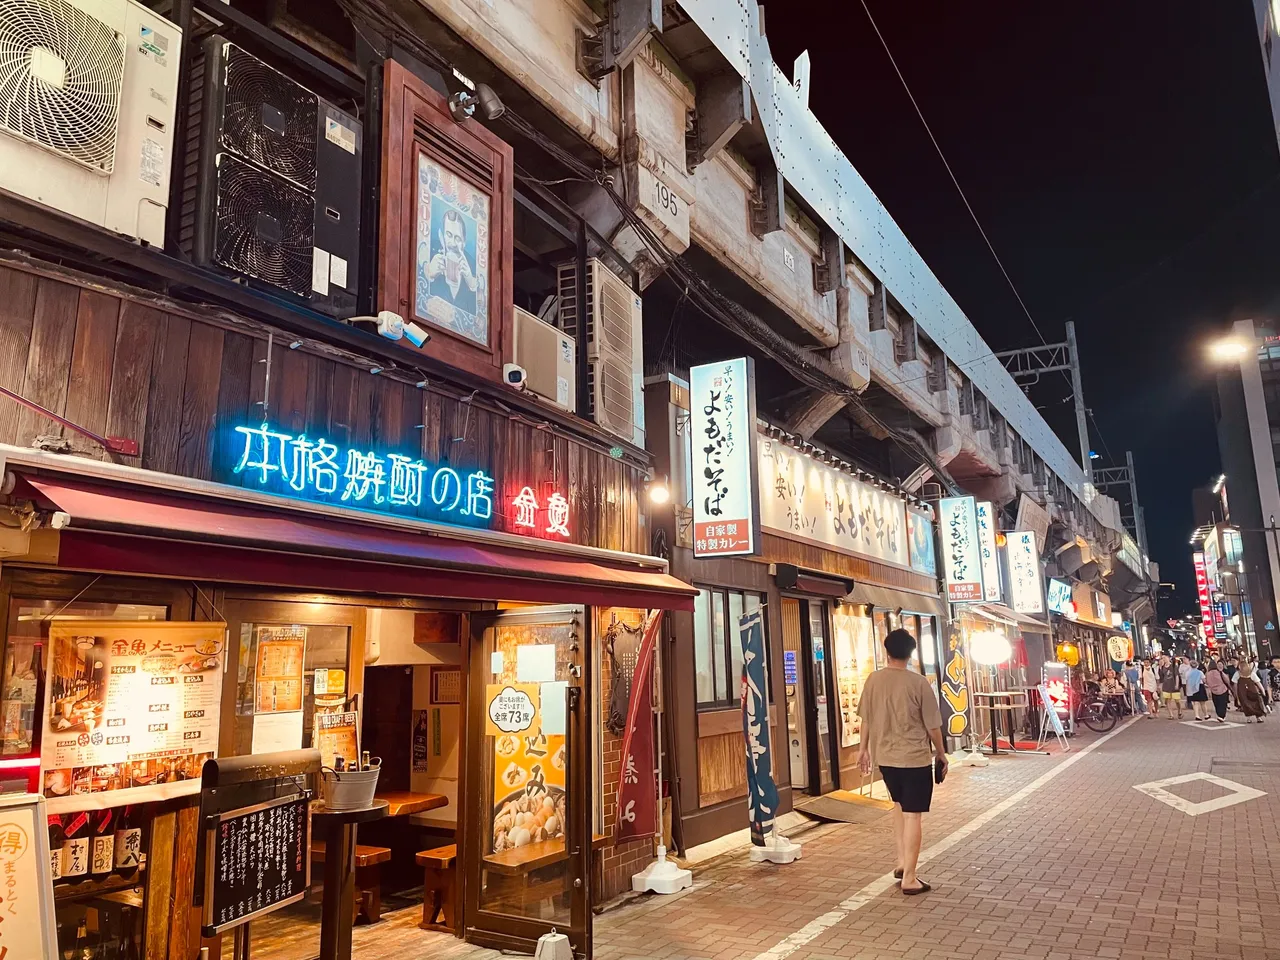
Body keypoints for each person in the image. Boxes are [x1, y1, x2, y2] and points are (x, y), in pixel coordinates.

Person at [857, 629, 947, 897]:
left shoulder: (873, 680)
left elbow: (867, 718)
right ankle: (910, 877)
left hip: (885, 758)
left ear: (887, 651)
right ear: (911, 653)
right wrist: (941, 753)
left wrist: (863, 750)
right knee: (912, 814)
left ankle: (901, 862)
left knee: (898, 806)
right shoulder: (918, 683)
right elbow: (932, 726)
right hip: (914, 759)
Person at [1204, 659, 1232, 723]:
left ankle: (1219, 714)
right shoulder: (1219, 672)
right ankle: (1222, 716)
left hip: (1213, 690)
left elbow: (1206, 682)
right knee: (1223, 703)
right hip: (1222, 689)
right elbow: (1226, 680)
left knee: (1216, 703)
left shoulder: (1207, 674)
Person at [1158, 655, 1183, 720]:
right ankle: (1171, 715)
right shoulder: (1162, 667)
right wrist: (1160, 667)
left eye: (1165, 658)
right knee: (1167, 701)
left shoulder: (1174, 666)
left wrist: (1177, 684)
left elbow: (1177, 676)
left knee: (1177, 701)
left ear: (1168, 658)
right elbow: (1161, 677)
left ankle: (1179, 711)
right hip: (1166, 686)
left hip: (1173, 685)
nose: (1164, 659)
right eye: (1162, 658)